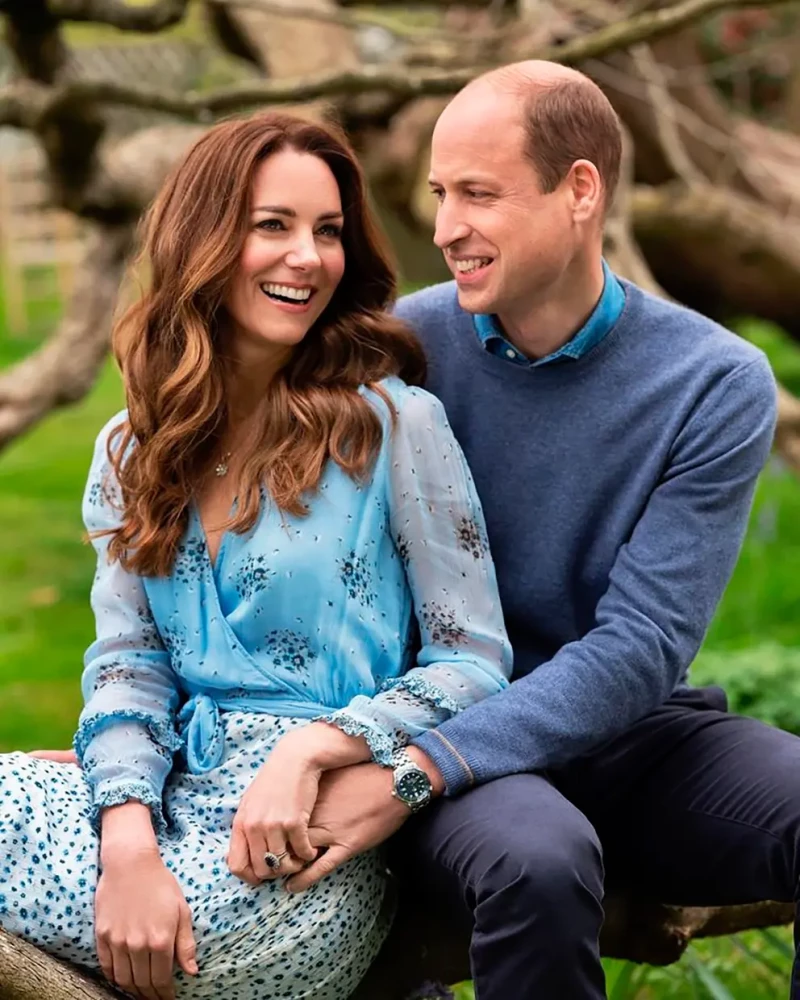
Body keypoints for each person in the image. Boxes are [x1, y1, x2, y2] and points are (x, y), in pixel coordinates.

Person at [278, 61, 800, 999]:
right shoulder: (404, 350)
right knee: (540, 863)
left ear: (581, 191)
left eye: (479, 193)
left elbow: (642, 647)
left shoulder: (713, 382)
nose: (445, 229)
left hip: (621, 735)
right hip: (448, 729)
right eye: (439, 194)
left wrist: (417, 773)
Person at [0, 110, 512, 1000]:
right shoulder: (133, 446)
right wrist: (124, 841)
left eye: (327, 231)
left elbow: (473, 660)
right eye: (271, 225)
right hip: (164, 798)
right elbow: (128, 663)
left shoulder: (394, 427)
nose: (306, 258)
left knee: (201, 942)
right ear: (203, 240)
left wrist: (317, 746)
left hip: (306, 848)